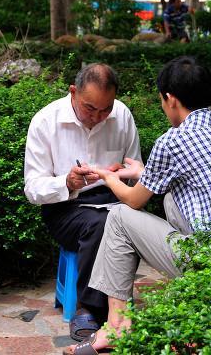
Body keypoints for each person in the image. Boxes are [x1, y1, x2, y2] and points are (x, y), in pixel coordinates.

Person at [64, 56, 211, 354]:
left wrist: (108, 176)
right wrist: (141, 173)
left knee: (119, 217)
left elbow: (132, 200)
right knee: (172, 195)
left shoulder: (173, 141)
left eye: (162, 100)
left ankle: (116, 327)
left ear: (170, 99)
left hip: (209, 261)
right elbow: (199, 172)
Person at [24, 63, 142, 342]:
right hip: (65, 207)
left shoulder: (122, 115)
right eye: (90, 108)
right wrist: (66, 182)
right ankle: (91, 309)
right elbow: (33, 189)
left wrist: (124, 176)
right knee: (104, 225)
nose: (98, 117)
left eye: (105, 109)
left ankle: (111, 306)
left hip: (113, 198)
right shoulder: (46, 121)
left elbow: (135, 170)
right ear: (73, 92)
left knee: (130, 222)